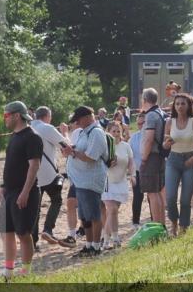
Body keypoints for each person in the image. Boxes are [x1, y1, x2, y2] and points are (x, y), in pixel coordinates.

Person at [0, 101, 42, 279]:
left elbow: (34, 166)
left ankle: (26, 271)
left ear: (17, 115)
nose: (4, 119)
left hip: (24, 192)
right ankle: (8, 271)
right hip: (9, 191)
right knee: (6, 231)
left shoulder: (32, 136)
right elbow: (10, 165)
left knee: (23, 233)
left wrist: (25, 192)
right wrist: (3, 186)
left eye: (6, 115)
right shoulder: (14, 136)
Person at [61, 105, 108, 256]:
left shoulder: (96, 133)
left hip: (90, 180)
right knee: (84, 216)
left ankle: (96, 246)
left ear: (88, 117)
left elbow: (91, 157)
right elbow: (80, 150)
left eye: (78, 120)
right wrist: (70, 149)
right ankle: (88, 245)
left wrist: (72, 152)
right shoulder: (83, 132)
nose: (77, 123)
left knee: (93, 215)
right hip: (80, 181)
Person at [30, 106, 75, 249]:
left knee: (35, 208)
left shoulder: (27, 127)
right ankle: (48, 229)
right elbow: (67, 146)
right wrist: (65, 132)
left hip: (30, 174)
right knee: (56, 200)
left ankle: (33, 241)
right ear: (47, 116)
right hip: (47, 174)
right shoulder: (47, 128)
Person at [163, 93, 193, 235]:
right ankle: (173, 224)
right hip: (173, 160)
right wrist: (166, 144)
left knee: (185, 199)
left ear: (189, 105)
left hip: (190, 160)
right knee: (170, 197)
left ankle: (184, 227)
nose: (180, 106)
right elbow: (164, 145)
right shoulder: (169, 122)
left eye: (183, 103)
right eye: (177, 104)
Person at [102, 121, 134, 249]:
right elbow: (98, 163)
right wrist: (108, 163)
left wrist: (133, 175)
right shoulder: (104, 146)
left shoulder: (125, 146)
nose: (116, 134)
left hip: (121, 181)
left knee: (113, 212)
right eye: (113, 131)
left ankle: (110, 239)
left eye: (118, 131)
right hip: (107, 181)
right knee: (112, 209)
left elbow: (131, 162)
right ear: (108, 132)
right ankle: (110, 239)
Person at [138, 88, 166, 226]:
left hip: (152, 157)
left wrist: (143, 158)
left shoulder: (150, 116)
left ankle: (156, 225)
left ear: (144, 99)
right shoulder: (160, 112)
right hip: (160, 156)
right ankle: (161, 224)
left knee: (152, 193)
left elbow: (149, 139)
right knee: (158, 192)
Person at [129, 112, 147, 227]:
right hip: (137, 171)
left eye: (143, 123)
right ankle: (135, 221)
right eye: (139, 124)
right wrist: (131, 174)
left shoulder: (153, 135)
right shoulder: (134, 137)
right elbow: (130, 157)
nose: (141, 126)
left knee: (152, 196)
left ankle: (154, 219)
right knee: (137, 197)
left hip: (151, 171)